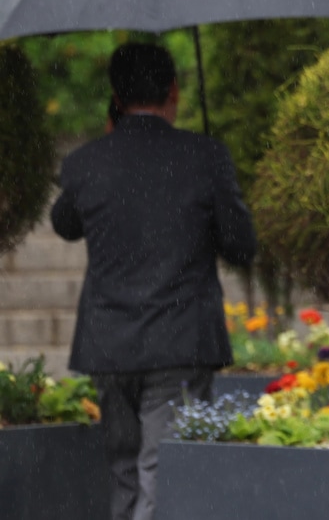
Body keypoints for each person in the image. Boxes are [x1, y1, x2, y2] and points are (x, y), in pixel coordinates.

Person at [51, 43, 257, 520]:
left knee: (124, 469)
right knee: (164, 472)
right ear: (174, 92)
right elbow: (242, 246)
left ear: (116, 98)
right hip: (179, 339)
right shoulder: (204, 156)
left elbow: (65, 223)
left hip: (109, 344)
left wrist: (110, 141)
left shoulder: (86, 162)